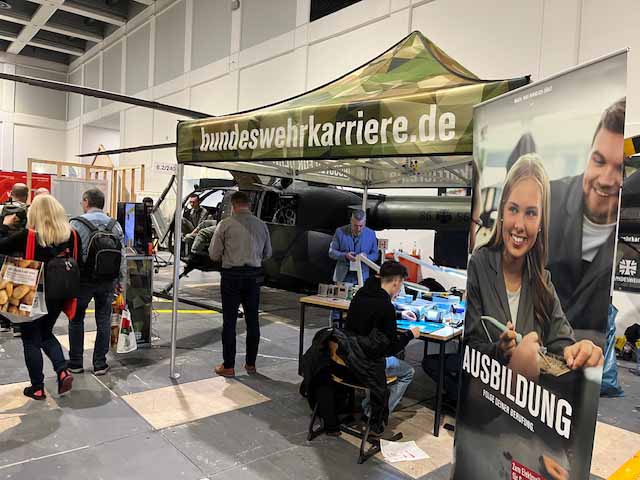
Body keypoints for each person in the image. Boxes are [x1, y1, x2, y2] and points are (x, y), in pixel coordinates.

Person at [465, 154, 603, 378]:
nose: (519, 225)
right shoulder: (479, 265)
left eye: (531, 213)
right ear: (502, 211)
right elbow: (468, 345)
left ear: (540, 222)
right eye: (513, 209)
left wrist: (579, 350)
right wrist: (499, 351)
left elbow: (562, 343)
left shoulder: (542, 279)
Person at [548, 99, 625, 346]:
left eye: (621, 169)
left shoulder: (632, 235)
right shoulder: (543, 201)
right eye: (599, 161)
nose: (606, 179)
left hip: (595, 366)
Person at [0, 195, 79, 400]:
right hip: (59, 293)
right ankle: (62, 370)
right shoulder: (71, 235)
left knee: (30, 338)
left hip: (31, 293)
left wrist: (5, 225)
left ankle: (37, 387)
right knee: (45, 333)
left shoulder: (27, 235)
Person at [345, 261, 421, 416]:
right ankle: (375, 413)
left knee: (387, 355)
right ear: (396, 282)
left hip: (347, 356)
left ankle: (371, 402)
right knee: (408, 372)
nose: (399, 288)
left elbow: (372, 314)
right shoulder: (386, 307)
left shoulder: (361, 294)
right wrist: (410, 335)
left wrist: (399, 314)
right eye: (401, 283)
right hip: (367, 364)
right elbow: (390, 349)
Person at [209, 191, 272, 377]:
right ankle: (251, 364)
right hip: (253, 277)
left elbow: (213, 254)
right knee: (253, 320)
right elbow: (268, 253)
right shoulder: (261, 225)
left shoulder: (225, 224)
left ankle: (228, 366)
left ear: (233, 205)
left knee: (229, 322)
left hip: (232, 277)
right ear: (248, 205)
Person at [68, 188, 125, 376]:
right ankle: (100, 364)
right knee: (103, 319)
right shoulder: (115, 225)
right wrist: (120, 280)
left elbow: (70, 254)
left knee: (76, 319)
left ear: (86, 201)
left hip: (82, 281)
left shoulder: (76, 223)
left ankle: (75, 363)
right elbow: (122, 256)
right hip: (107, 280)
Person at [0, 183, 29, 336]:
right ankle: (17, 326)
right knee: (19, 290)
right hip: (21, 254)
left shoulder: (1, 208)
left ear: (11, 193)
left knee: (3, 288)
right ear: (27, 196)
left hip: (2, 252)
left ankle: (3, 322)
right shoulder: (29, 210)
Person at [329, 209, 379, 285]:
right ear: (351, 221)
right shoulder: (339, 231)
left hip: (362, 278)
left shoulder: (371, 234)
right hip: (342, 277)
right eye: (355, 225)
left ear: (365, 222)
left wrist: (366, 257)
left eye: (361, 226)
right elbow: (331, 252)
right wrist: (345, 256)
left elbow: (375, 255)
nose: (358, 229)